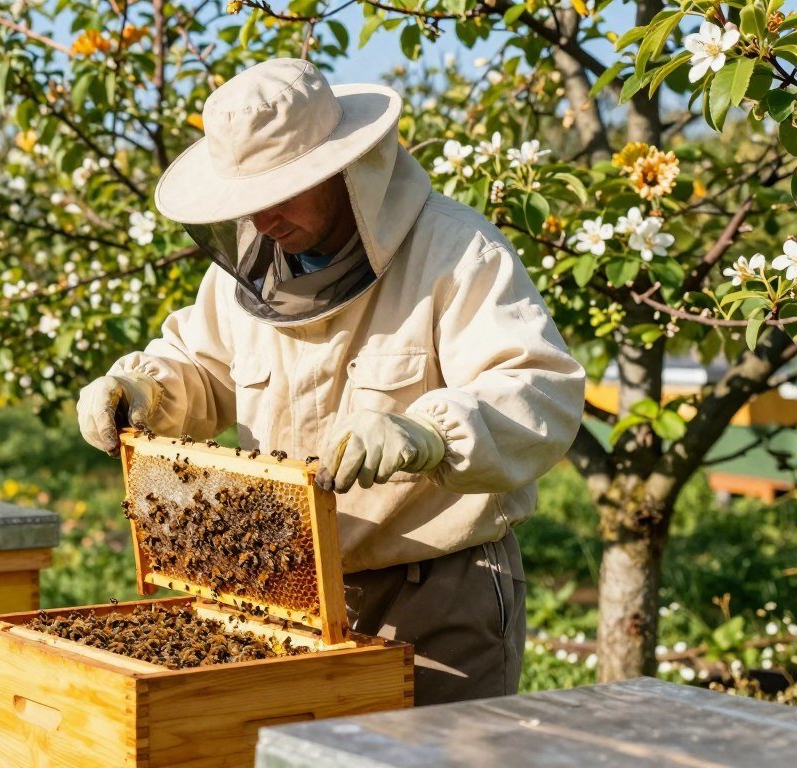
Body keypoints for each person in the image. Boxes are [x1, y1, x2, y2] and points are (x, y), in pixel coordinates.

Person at [76, 58, 585, 706]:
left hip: (433, 594)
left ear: (343, 166)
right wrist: (145, 390)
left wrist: (428, 431)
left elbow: (539, 387)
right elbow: (201, 367)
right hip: (285, 588)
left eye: (279, 192)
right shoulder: (248, 273)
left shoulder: (457, 252)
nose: (261, 221)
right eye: (246, 199)